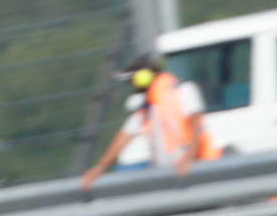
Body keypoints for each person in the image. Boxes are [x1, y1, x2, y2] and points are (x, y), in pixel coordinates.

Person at [81, 54, 216, 189]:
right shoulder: (146, 109)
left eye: (132, 79)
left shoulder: (183, 90)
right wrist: (99, 168)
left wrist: (188, 157)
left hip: (201, 170)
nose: (130, 84)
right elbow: (123, 137)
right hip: (174, 176)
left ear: (143, 77)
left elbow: (196, 125)